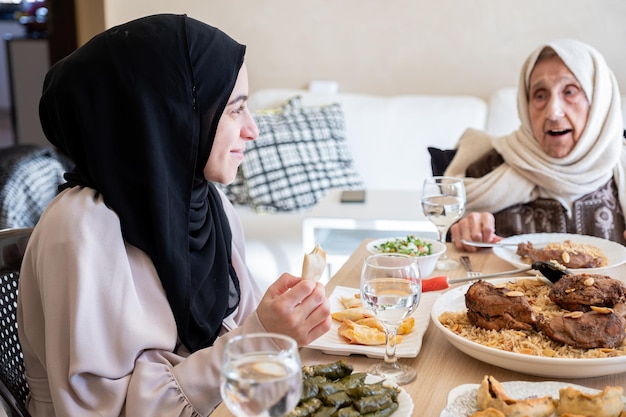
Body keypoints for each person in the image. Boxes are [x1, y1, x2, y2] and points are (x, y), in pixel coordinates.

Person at [17, 14, 331, 416]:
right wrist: (260, 336)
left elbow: (241, 331)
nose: (253, 129)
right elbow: (106, 411)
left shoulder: (210, 207)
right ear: (171, 113)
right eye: (234, 110)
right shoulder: (82, 227)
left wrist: (281, 321)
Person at [447, 39, 626, 251]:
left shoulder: (621, 166)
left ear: (598, 101)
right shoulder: (487, 169)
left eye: (569, 92)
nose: (553, 112)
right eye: (540, 95)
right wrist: (465, 232)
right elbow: (453, 249)